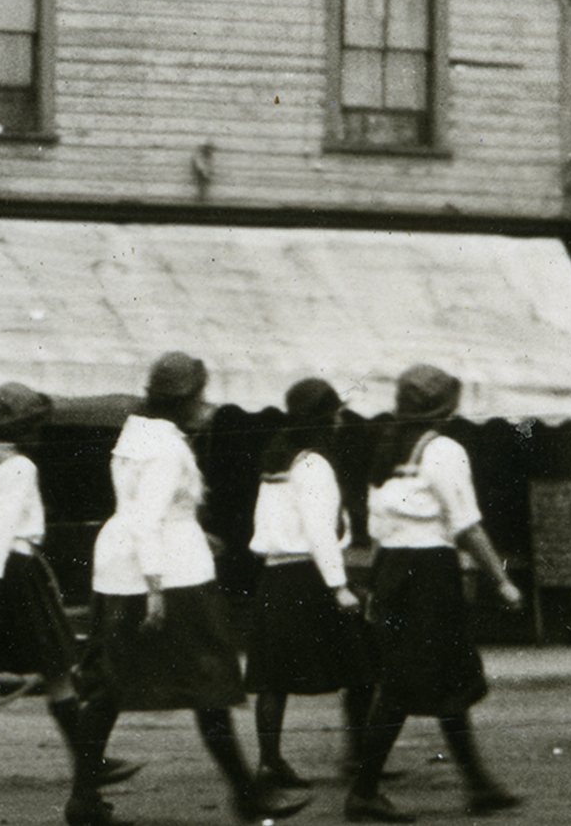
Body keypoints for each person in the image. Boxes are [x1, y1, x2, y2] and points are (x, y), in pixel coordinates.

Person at [67, 353, 309, 826]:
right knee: (210, 682)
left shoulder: (135, 434)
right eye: (200, 394)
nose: (205, 403)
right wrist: (155, 587)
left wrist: (193, 536)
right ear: (185, 400)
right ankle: (248, 797)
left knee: (109, 685)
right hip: (170, 574)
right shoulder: (167, 448)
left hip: (122, 566)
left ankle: (83, 799)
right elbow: (149, 517)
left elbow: (140, 510)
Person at [0, 384, 141, 800]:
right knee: (56, 663)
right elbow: (2, 529)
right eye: (33, 426)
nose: (38, 433)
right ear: (22, 429)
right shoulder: (20, 466)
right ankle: (89, 760)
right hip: (8, 569)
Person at [344, 364, 524, 823]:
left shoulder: (387, 449)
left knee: (448, 677)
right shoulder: (444, 450)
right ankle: (363, 791)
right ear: (445, 408)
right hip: (429, 574)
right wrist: (500, 579)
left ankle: (478, 783)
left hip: (392, 568)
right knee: (407, 681)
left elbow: (376, 526)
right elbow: (466, 524)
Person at [244, 379, 374, 788]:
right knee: (362, 665)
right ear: (326, 418)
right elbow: (319, 531)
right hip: (312, 575)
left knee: (273, 677)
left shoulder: (276, 463)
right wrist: (339, 586)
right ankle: (359, 756)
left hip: (276, 575)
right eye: (335, 414)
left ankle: (269, 761)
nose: (339, 422)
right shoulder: (314, 465)